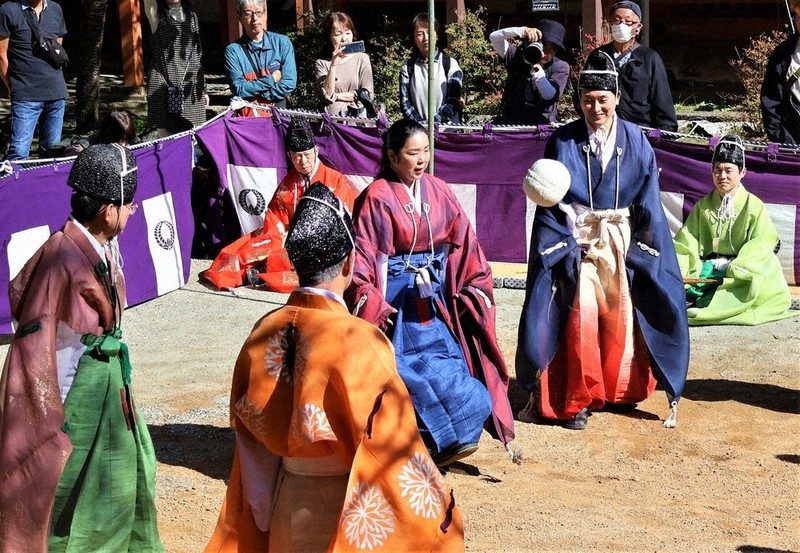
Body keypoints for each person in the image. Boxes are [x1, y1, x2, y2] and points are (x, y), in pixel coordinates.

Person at [204, 183, 464, 552]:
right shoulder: (362, 341)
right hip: (346, 511)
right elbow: (392, 446)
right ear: (349, 263)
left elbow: (250, 444)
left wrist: (262, 511)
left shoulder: (263, 332)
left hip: (284, 504)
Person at [0, 144, 163, 551]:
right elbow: (43, 348)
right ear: (108, 210)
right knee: (77, 494)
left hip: (105, 384)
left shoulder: (97, 243)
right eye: (129, 204)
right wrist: (53, 421)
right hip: (78, 396)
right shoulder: (63, 258)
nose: (133, 211)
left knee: (120, 482)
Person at [515, 50, 689, 431]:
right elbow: (551, 201)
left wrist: (645, 245)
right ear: (578, 101)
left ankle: (619, 389)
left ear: (617, 100)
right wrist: (566, 240)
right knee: (582, 315)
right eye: (587, 100)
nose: (595, 108)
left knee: (621, 315)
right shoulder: (563, 141)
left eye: (603, 100)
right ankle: (577, 397)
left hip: (621, 238)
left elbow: (648, 199)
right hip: (578, 239)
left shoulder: (637, 139)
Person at [347, 119, 515, 466]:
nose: (421, 159)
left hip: (433, 300)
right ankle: (423, 445)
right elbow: (361, 259)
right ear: (392, 156)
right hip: (395, 306)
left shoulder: (439, 189)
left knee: (453, 366)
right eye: (413, 153)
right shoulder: (376, 197)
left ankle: (457, 438)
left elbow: (465, 244)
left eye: (426, 151)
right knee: (409, 376)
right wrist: (373, 304)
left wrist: (472, 285)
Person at [202, 115, 355, 291]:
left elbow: (343, 220)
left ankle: (263, 272)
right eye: (297, 156)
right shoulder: (288, 183)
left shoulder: (335, 180)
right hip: (288, 237)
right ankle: (258, 271)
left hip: (323, 241)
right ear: (289, 155)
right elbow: (274, 215)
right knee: (245, 248)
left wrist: (301, 236)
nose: (303, 161)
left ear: (316, 151)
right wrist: (281, 236)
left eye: (307, 155)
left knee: (298, 260)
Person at [673, 135, 797, 325]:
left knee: (763, 272)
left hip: (741, 269)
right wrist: (688, 269)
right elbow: (687, 241)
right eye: (717, 170)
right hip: (709, 267)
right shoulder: (703, 206)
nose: (722, 176)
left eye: (728, 170)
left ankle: (716, 303)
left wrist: (736, 266)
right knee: (685, 280)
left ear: (742, 172)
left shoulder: (754, 206)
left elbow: (764, 241)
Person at [595, 1, 678, 132]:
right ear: (610, 24)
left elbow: (662, 100)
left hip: (639, 132)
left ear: (638, 27)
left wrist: (665, 132)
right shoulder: (598, 56)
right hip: (602, 130)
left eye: (628, 22)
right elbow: (583, 95)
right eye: (616, 21)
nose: (621, 26)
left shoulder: (649, 58)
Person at [0, 0, 68, 160]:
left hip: (56, 94)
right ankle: (12, 185)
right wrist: (10, 86)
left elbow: (56, 51)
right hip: (26, 95)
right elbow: (1, 56)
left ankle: (46, 186)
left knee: (52, 156)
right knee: (19, 154)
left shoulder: (55, 9)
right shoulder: (8, 10)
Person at [144, 0, 208, 136]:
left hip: (190, 86)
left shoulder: (192, 17)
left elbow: (198, 54)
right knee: (166, 141)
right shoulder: (156, 14)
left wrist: (204, 89)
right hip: (163, 85)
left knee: (192, 137)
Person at [490, 19, 570, 125]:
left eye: (551, 50)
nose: (545, 54)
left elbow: (549, 95)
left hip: (542, 128)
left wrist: (536, 69)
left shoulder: (560, 67)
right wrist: (522, 31)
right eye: (544, 47)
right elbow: (494, 38)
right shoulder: (517, 55)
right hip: (511, 124)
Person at [224, 0, 296, 117]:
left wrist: (263, 95)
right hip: (250, 119)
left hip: (280, 115)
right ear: (239, 17)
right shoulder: (233, 51)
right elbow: (239, 89)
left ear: (265, 13)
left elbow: (289, 83)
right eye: (248, 14)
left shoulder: (282, 43)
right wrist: (271, 79)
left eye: (258, 12)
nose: (255, 19)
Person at [399, 13, 463, 125]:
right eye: (420, 34)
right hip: (419, 134)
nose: (425, 38)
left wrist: (432, 123)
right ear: (414, 38)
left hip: (447, 133)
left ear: (437, 35)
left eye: (429, 32)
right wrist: (420, 126)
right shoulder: (407, 67)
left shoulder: (450, 64)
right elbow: (405, 102)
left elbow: (453, 101)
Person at [314, 11, 374, 118]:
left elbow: (367, 94)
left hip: (358, 119)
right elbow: (326, 96)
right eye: (338, 34)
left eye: (347, 33)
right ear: (329, 37)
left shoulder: (362, 58)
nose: (344, 38)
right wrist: (333, 65)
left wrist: (336, 96)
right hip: (332, 121)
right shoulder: (322, 63)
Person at [760, 0, 800, 145]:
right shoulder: (783, 53)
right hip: (791, 135)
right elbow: (771, 95)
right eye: (798, 17)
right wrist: (777, 134)